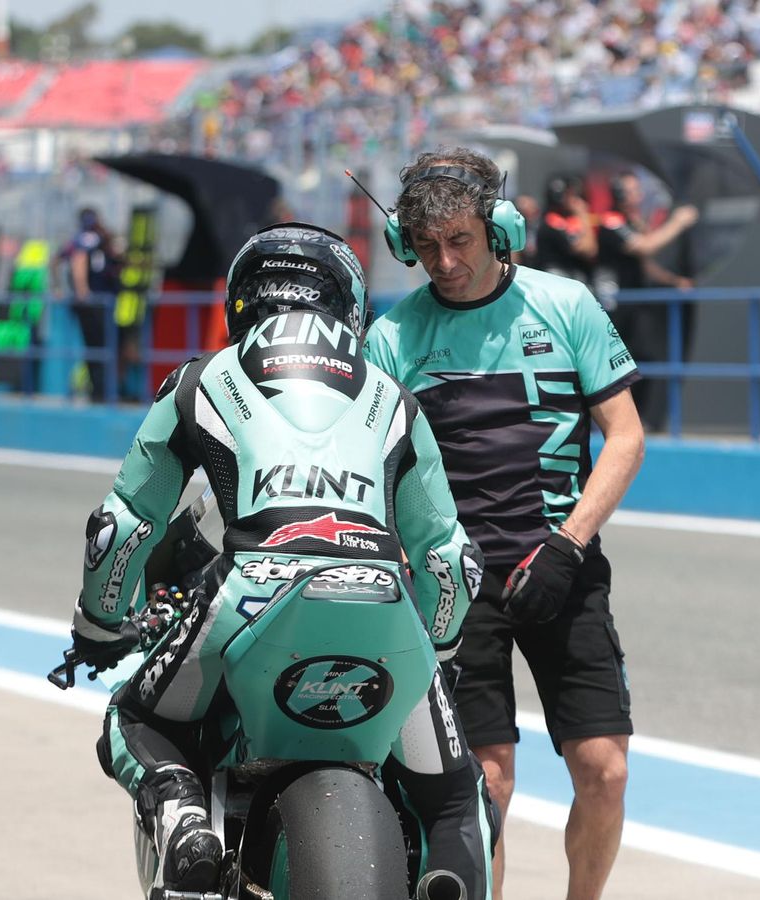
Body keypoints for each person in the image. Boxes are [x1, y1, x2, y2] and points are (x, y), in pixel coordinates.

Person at [64, 223, 496, 900]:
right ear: (349, 308)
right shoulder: (394, 398)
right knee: (456, 801)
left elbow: (122, 525)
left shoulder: (201, 380)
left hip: (250, 592)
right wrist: (435, 653)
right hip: (382, 597)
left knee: (137, 720)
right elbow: (450, 560)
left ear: (242, 303)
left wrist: (98, 623)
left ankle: (183, 816)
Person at [365, 146, 646, 900]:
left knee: (605, 771)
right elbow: (374, 466)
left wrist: (567, 546)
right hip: (452, 583)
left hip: (561, 564)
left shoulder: (567, 306)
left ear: (499, 229)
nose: (444, 262)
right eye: (425, 246)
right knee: (485, 784)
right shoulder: (391, 339)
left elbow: (626, 437)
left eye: (459, 240)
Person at [597, 171, 699, 430]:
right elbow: (644, 247)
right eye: (632, 191)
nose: (638, 196)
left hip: (635, 305)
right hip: (616, 306)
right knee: (617, 363)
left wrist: (675, 281)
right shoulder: (611, 221)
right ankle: (610, 421)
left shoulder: (631, 221)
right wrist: (677, 223)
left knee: (644, 358)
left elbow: (644, 264)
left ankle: (638, 418)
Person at [63, 207, 126, 402]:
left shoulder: (102, 240)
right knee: (99, 348)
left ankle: (105, 390)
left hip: (106, 304)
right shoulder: (87, 239)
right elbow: (77, 261)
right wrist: (82, 292)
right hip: (95, 306)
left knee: (107, 348)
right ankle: (101, 392)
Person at [533, 173, 599, 292]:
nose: (575, 199)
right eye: (571, 195)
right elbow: (588, 250)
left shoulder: (565, 220)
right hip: (557, 278)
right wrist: (582, 214)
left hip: (571, 276)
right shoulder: (552, 220)